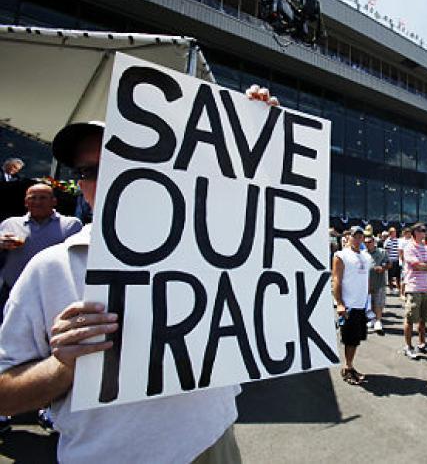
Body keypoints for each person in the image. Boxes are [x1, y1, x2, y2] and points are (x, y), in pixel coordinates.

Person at [0, 85, 278, 462]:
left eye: (122, 159)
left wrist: (258, 133)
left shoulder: (208, 247)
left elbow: (252, 204)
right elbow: (6, 392)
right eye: (90, 170)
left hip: (215, 442)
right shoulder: (51, 270)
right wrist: (62, 364)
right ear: (81, 186)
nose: (109, 177)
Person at [1, 184, 82, 321]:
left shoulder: (70, 225)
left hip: (51, 292)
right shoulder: (10, 224)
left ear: (54, 201)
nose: (37, 202)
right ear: (26, 202)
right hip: (12, 290)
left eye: (43, 198)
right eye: (33, 198)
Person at [332, 226, 372, 384]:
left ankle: (350, 365)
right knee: (349, 339)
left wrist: (368, 301)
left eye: (361, 236)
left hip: (362, 304)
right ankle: (347, 368)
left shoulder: (366, 256)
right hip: (349, 304)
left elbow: (366, 279)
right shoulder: (341, 255)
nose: (358, 238)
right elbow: (336, 280)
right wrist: (340, 303)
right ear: (348, 237)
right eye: (355, 236)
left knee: (356, 339)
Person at [401, 223, 427, 359]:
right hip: (413, 287)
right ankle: (408, 346)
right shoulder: (409, 248)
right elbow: (417, 266)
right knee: (410, 318)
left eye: (425, 230)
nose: (424, 233)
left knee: (424, 319)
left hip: (425, 287)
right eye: (422, 230)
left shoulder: (426, 248)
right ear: (414, 233)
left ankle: (422, 344)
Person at [364, 234, 389, 333]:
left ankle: (378, 321)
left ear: (374, 242)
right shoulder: (363, 253)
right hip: (367, 283)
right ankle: (374, 319)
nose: (367, 244)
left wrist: (383, 268)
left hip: (379, 282)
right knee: (371, 303)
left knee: (379, 302)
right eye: (365, 242)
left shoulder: (382, 252)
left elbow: (389, 264)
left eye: (369, 242)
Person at [383, 227, 401, 293]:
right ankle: (391, 288)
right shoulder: (387, 241)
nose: (395, 233)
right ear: (390, 233)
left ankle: (398, 288)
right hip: (391, 260)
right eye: (394, 232)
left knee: (398, 275)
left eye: (395, 232)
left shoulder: (398, 240)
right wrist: (388, 261)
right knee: (390, 275)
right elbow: (386, 252)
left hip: (397, 260)